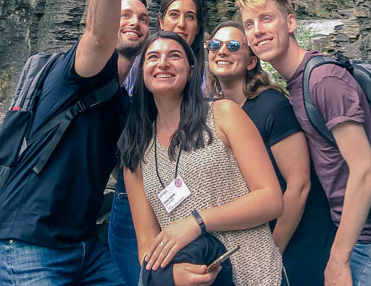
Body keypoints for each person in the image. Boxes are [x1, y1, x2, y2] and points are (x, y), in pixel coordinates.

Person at [0, 0, 162, 285]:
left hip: (86, 247)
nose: (135, 22)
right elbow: (99, 36)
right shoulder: (78, 71)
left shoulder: (127, 104)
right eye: (125, 14)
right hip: (27, 243)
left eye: (144, 19)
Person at [236, 0, 371, 286]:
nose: (257, 31)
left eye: (266, 18)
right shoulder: (296, 82)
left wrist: (338, 258)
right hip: (356, 232)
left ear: (290, 23)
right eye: (249, 24)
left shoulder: (323, 80)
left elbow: (365, 171)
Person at [121, 31, 284, 285]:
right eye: (153, 57)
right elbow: (147, 244)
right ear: (142, 72)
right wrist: (170, 277)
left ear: (190, 71)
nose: (163, 62)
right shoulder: (136, 151)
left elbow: (271, 199)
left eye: (174, 56)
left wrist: (197, 222)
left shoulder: (223, 114)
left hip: (257, 274)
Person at [206, 20, 335, 285]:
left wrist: (274, 250)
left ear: (251, 62)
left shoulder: (271, 106)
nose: (222, 51)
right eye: (215, 45)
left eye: (233, 46)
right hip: (258, 234)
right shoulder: (216, 110)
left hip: (298, 237)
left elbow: (299, 185)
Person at [110, 0, 206, 285]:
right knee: (145, 275)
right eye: (174, 15)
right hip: (137, 185)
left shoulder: (208, 69)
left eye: (190, 17)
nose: (182, 23)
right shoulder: (144, 63)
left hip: (192, 192)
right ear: (161, 22)